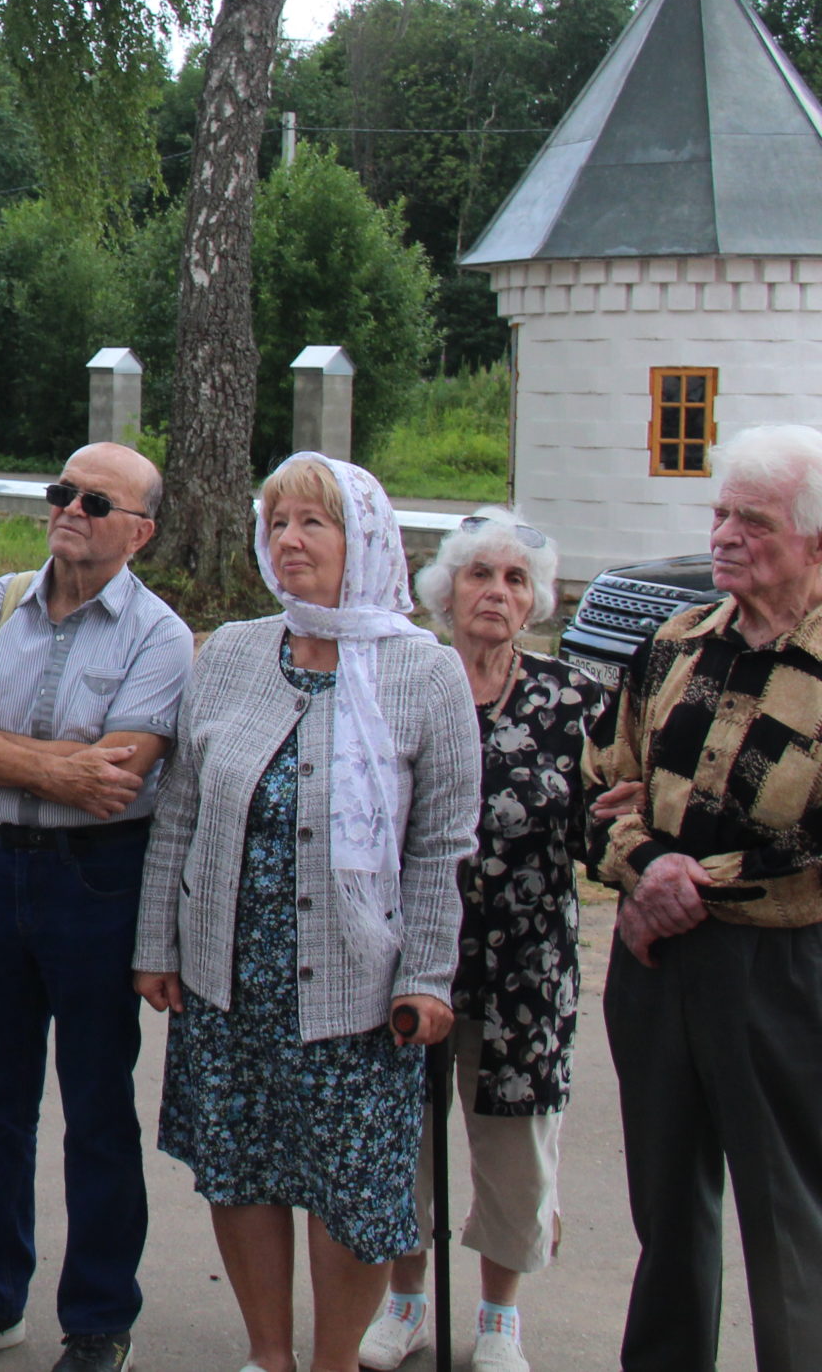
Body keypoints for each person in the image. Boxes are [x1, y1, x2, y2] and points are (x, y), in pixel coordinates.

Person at [134, 452, 479, 1372]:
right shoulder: (237, 649)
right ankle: (267, 1355)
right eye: (277, 520)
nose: (288, 539)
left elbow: (443, 845)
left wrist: (429, 978)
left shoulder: (424, 671)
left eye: (312, 523)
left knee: (353, 1189)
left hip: (361, 988)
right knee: (241, 1165)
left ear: (361, 540)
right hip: (229, 972)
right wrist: (155, 944)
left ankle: (331, 1363)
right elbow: (182, 808)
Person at [0, 441, 194, 1372]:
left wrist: (5, 751)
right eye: (61, 490)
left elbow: (120, 776)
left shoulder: (161, 636)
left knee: (100, 1107)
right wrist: (55, 763)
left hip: (97, 880)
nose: (70, 508)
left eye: (96, 502)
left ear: (139, 531)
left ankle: (101, 1318)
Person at [585, 422, 822, 1372]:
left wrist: (685, 872)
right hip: (656, 956)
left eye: (753, 522)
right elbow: (596, 782)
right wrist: (646, 868)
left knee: (787, 1219)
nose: (722, 535)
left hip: (784, 970)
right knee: (667, 1213)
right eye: (719, 513)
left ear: (814, 544)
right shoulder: (676, 641)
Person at [356, 510, 601, 1372]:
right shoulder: (399, 679)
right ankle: (405, 1301)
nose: (496, 592)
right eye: (479, 575)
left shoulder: (574, 701)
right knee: (401, 1143)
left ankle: (500, 1317)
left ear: (534, 602)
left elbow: (599, 830)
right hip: (403, 954)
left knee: (514, 1155)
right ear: (444, 589)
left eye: (516, 579)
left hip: (527, 967)